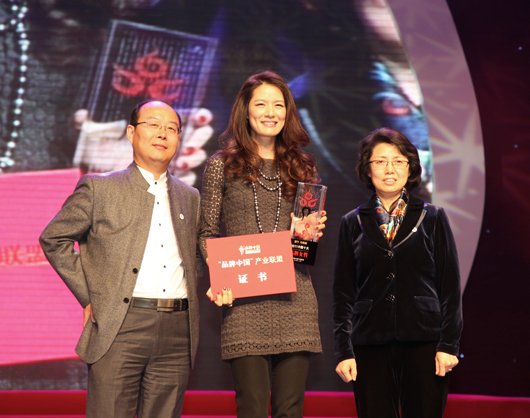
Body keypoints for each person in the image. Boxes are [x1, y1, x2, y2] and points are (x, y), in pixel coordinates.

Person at [39, 100, 201, 418]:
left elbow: (194, 255)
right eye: (153, 125)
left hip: (177, 331)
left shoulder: (190, 196)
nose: (163, 133)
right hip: (120, 325)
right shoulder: (100, 188)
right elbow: (54, 238)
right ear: (130, 133)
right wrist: (91, 296)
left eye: (171, 128)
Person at [199, 71, 326, 418]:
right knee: (252, 408)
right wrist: (220, 276)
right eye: (261, 104)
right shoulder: (222, 165)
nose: (270, 112)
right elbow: (206, 233)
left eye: (278, 105)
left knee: (290, 410)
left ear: (288, 111)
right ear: (245, 110)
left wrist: (310, 231)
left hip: (295, 300)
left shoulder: (303, 167)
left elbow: (304, 247)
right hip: (243, 300)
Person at [333, 127, 462, 418]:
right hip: (369, 343)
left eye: (398, 161)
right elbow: (342, 294)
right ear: (368, 169)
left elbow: (450, 288)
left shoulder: (432, 217)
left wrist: (449, 345)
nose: (389, 169)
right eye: (380, 161)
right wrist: (344, 351)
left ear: (410, 167)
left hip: (425, 341)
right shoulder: (352, 222)